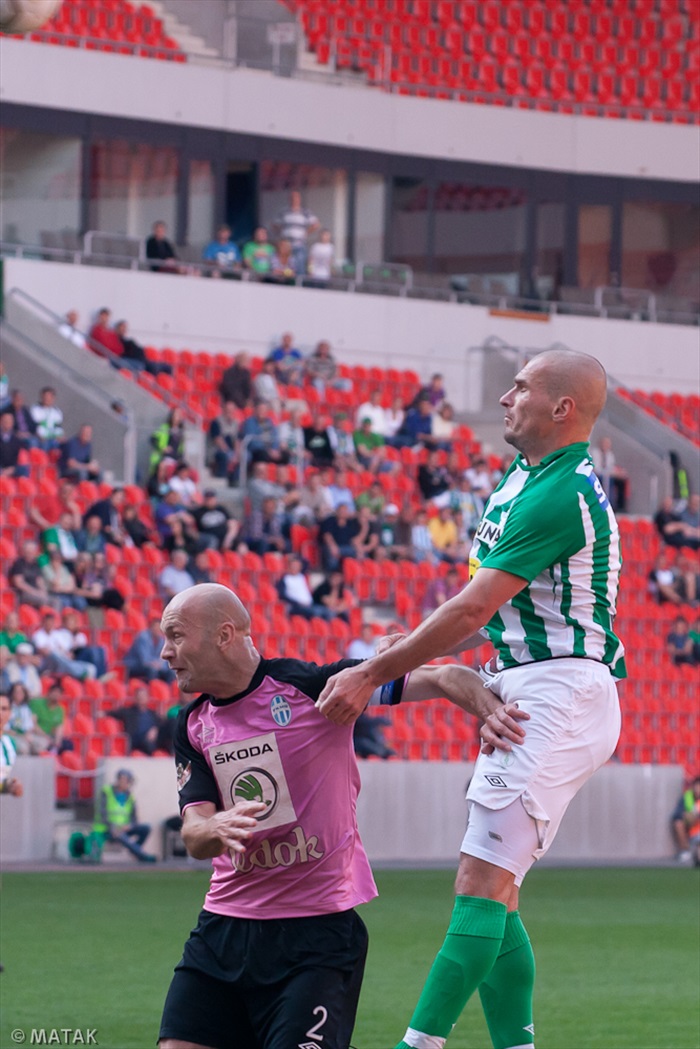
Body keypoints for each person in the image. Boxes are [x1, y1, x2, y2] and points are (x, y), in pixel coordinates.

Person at [317, 348, 625, 1049]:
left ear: (562, 408)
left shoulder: (558, 493)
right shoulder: (525, 475)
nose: (507, 395)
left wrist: (372, 672)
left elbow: (470, 611)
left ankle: (417, 1045)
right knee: (499, 890)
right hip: (529, 680)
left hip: (558, 687)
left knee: (478, 880)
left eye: (522, 386)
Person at [156, 582, 523, 1049]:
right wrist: (213, 827)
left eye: (175, 635)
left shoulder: (312, 688)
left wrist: (489, 711)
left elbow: (445, 677)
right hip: (221, 933)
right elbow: (193, 833)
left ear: (224, 634)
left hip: (315, 938)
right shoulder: (192, 726)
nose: (166, 652)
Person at [93, 768, 157, 862]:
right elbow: (102, 814)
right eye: (126, 780)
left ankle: (135, 850)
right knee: (120, 834)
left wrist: (129, 825)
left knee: (145, 828)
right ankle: (141, 856)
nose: (127, 783)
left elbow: (134, 819)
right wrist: (113, 827)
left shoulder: (130, 797)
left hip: (123, 828)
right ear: (120, 779)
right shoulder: (106, 792)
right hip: (106, 829)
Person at [109, 684, 169, 756]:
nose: (141, 698)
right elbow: (113, 713)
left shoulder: (152, 714)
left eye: (143, 696)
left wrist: (156, 729)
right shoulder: (128, 711)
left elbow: (162, 724)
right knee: (148, 745)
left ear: (148, 698)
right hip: (137, 740)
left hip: (151, 740)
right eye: (139, 696)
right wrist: (101, 713)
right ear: (135, 698)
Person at [272, 188, 320, 275]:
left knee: (299, 268)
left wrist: (306, 233)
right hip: (285, 246)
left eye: (296, 197)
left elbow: (316, 224)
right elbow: (275, 225)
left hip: (299, 245)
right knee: (285, 268)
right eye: (292, 197)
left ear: (299, 199)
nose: (294, 199)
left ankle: (299, 286)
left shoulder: (305, 212)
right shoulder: (284, 212)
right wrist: (282, 234)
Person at [124, 618, 176, 684]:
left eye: (159, 628)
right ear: (150, 628)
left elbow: (163, 659)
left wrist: (159, 665)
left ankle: (165, 691)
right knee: (152, 671)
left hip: (153, 666)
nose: (157, 630)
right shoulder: (143, 637)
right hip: (135, 665)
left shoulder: (162, 640)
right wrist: (156, 664)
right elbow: (144, 660)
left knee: (170, 672)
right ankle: (151, 690)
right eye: (155, 627)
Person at [592, 436, 628, 513]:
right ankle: (604, 503)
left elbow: (610, 467)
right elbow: (597, 468)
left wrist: (618, 473)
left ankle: (619, 506)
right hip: (597, 475)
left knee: (621, 481)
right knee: (605, 479)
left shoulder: (610, 455)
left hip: (607, 475)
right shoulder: (595, 453)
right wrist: (609, 473)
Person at [670, 776, 700, 865]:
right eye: (697, 787)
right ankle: (686, 851)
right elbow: (678, 815)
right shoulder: (687, 797)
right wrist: (689, 817)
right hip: (693, 830)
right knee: (678, 823)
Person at [0, 692, 23, 797]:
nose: (0, 713)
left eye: (4, 709)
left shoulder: (9, 744)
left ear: (10, 713)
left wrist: (9, 785)